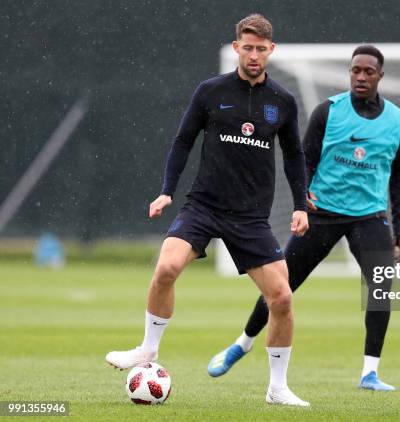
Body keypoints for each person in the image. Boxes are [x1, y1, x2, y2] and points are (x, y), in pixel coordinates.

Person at [105, 14, 311, 407]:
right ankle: (148, 349)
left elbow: (295, 156)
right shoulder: (210, 91)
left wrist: (301, 205)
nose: (253, 55)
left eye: (260, 49)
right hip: (203, 207)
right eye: (247, 48)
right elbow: (183, 141)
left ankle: (278, 388)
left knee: (282, 298)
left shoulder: (282, 101)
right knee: (166, 268)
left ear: (272, 50)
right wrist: (167, 191)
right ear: (236, 48)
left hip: (250, 217)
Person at [207, 45, 400, 391]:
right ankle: (242, 343)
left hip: (370, 217)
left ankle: (369, 373)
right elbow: (303, 160)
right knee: (282, 287)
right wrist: (303, 200)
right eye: (355, 70)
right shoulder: (328, 112)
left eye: (368, 72)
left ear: (380, 76)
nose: (361, 77)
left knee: (381, 287)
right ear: (349, 73)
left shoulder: (396, 119)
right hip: (322, 214)